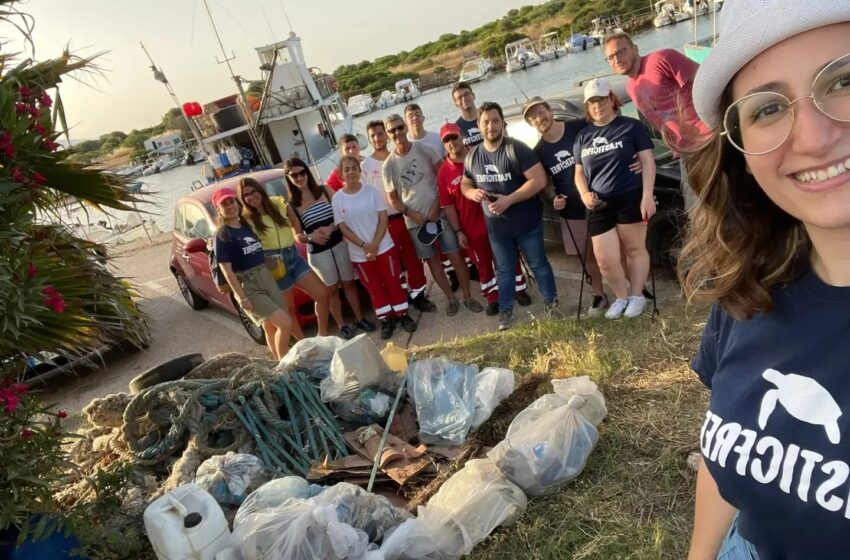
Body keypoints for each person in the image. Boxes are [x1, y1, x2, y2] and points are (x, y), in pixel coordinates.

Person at [682, 3, 850, 559]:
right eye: (769, 108)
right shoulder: (748, 287)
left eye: (844, 78)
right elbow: (728, 453)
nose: (815, 137)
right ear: (743, 153)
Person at [461, 101, 559, 330]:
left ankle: (551, 303)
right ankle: (506, 311)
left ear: (502, 123)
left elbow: (539, 180)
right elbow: (465, 183)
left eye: (495, 121)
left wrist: (509, 200)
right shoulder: (472, 156)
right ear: (478, 124)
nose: (491, 126)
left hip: (527, 223)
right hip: (498, 230)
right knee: (504, 270)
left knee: (539, 264)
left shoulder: (517, 148)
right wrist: (472, 192)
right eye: (486, 122)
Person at [383, 113, 483, 316]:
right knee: (433, 261)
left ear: (405, 127)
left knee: (455, 256)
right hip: (414, 222)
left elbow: (444, 177)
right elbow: (392, 198)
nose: (397, 133)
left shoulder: (425, 149)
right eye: (392, 130)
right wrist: (410, 213)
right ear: (387, 134)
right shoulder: (388, 165)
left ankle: (467, 296)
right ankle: (451, 299)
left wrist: (438, 205)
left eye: (399, 127)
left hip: (441, 214)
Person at [574, 79, 656, 320]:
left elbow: (648, 161)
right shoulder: (582, 137)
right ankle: (621, 297)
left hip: (630, 195)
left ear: (611, 99)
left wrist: (647, 195)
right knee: (606, 260)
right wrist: (583, 193)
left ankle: (637, 295)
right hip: (599, 204)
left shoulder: (630, 127)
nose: (597, 105)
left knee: (634, 249)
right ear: (587, 107)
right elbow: (578, 173)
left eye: (601, 99)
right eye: (592, 102)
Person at [603, 31, 711, 214]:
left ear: (634, 49)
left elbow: (706, 81)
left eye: (621, 52)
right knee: (696, 212)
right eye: (610, 57)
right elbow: (656, 123)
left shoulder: (662, 58)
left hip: (708, 140)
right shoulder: (631, 88)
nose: (616, 59)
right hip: (684, 151)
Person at [523, 96, 610, 316]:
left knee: (613, 251)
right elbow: (544, 184)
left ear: (549, 110)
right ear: (531, 124)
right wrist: (553, 198)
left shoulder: (578, 126)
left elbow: (608, 142)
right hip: (573, 212)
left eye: (540, 111)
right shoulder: (538, 151)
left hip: (602, 200)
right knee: (586, 256)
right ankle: (599, 295)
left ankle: (635, 290)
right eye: (533, 116)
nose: (539, 118)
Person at [438, 122, 533, 317]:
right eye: (446, 140)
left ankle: (519, 290)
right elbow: (448, 206)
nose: (452, 142)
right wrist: (458, 231)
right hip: (472, 228)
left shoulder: (479, 154)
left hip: (497, 219)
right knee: (483, 264)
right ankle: (492, 297)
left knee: (508, 258)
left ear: (462, 136)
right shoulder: (443, 172)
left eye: (454, 137)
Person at [283, 157, 376, 340]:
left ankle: (359, 318)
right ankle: (342, 325)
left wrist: (332, 227)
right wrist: (311, 237)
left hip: (339, 243)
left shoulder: (325, 190)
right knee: (331, 289)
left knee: (349, 283)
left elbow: (343, 212)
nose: (299, 177)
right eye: (294, 175)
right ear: (288, 178)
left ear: (307, 172)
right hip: (318, 252)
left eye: (302, 172)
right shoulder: (291, 205)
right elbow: (297, 235)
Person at [332, 155, 417, 340]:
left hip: (383, 247)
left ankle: (403, 314)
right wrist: (365, 246)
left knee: (393, 281)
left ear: (359, 171)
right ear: (341, 174)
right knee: (374, 288)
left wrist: (375, 244)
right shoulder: (338, 199)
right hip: (359, 254)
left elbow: (383, 218)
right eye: (346, 169)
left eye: (354, 168)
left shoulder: (371, 191)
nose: (351, 172)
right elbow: (343, 228)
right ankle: (386, 319)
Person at [237, 177, 333, 339]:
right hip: (273, 264)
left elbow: (295, 221)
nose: (251, 196)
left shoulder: (278, 204)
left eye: (253, 191)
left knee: (323, 293)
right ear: (243, 199)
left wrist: (302, 235)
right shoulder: (245, 219)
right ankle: (304, 345)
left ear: (260, 190)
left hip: (293, 256)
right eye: (246, 195)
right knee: (289, 309)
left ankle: (321, 336)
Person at [361, 119, 436, 312]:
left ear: (386, 135)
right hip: (383, 223)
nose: (378, 138)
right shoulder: (365, 166)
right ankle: (401, 296)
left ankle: (419, 294)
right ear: (369, 140)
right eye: (373, 136)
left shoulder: (396, 158)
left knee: (412, 258)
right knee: (393, 262)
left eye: (380, 133)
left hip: (403, 217)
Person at [211, 188, 292, 360]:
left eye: (232, 201)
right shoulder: (222, 233)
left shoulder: (245, 225)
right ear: (218, 209)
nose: (230, 206)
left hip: (265, 277)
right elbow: (226, 268)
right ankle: (286, 366)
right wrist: (241, 297)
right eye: (224, 204)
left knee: (270, 326)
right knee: (286, 323)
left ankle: (279, 363)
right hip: (248, 285)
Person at [452, 81, 483, 147]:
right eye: (459, 97)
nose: (464, 98)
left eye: (466, 94)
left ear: (473, 96)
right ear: (455, 103)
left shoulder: (489, 117)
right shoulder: (456, 128)